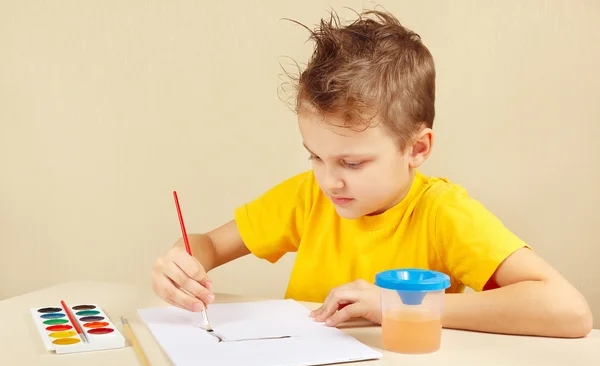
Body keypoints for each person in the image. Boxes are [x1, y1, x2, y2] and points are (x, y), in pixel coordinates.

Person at [151, 9, 593, 338]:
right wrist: (183, 262)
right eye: (315, 157)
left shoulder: (442, 214)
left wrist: (399, 306)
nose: (329, 181)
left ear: (416, 148)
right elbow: (208, 244)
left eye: (352, 163)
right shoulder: (310, 196)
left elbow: (569, 312)